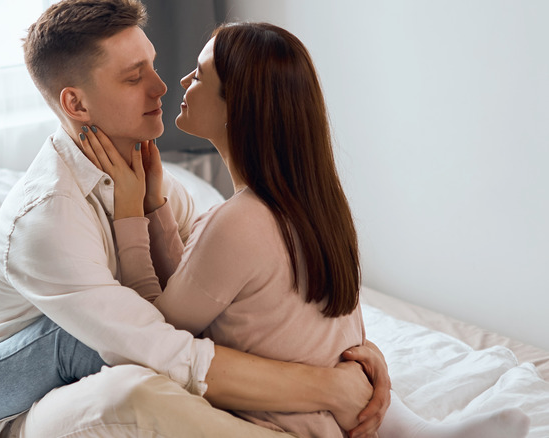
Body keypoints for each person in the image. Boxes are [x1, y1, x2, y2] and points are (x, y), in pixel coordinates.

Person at [0, 1, 390, 437]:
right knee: (114, 367)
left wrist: (354, 368)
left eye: (156, 66)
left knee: (128, 357)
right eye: (133, 76)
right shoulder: (50, 220)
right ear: (76, 104)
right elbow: (168, 344)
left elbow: (215, 292)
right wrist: (329, 386)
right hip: (24, 402)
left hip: (117, 352)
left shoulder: (155, 171)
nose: (164, 89)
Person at [76, 21, 531, 438]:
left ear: (237, 106)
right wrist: (156, 203)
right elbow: (198, 290)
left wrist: (128, 213)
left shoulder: (240, 221)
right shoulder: (314, 200)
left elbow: (160, 331)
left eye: (199, 75)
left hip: (292, 426)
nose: (181, 84)